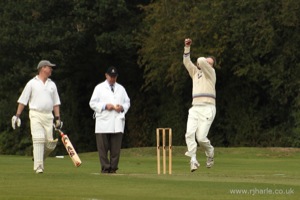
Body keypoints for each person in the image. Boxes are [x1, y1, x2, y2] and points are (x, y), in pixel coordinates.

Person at [11, 60, 62, 174]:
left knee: (50, 144)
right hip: (35, 114)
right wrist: (17, 116)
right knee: (38, 138)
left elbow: (56, 102)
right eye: (49, 67)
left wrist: (58, 118)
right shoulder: (32, 83)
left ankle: (38, 157)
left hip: (49, 116)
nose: (51, 69)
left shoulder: (52, 84)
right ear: (43, 68)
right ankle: (39, 166)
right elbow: (23, 100)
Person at [183, 38, 217, 172]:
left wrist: (204, 62)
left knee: (201, 138)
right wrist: (187, 47)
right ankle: (193, 160)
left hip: (208, 108)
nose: (206, 65)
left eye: (210, 64)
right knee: (189, 134)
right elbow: (186, 61)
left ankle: (210, 153)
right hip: (195, 108)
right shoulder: (195, 72)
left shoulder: (211, 74)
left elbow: (202, 61)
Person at [89, 66, 130, 174]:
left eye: (115, 77)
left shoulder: (121, 88)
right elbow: (92, 103)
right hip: (103, 121)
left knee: (115, 149)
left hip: (117, 121)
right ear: (106, 75)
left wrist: (122, 108)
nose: (113, 79)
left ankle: (113, 168)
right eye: (111, 76)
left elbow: (127, 102)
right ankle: (105, 167)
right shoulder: (99, 88)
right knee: (103, 148)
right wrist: (105, 106)